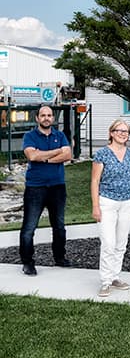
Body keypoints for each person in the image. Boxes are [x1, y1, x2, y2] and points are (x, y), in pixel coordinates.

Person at [19, 104, 73, 275]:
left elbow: (68, 155)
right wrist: (56, 151)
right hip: (35, 188)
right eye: (43, 115)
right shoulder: (30, 136)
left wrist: (45, 157)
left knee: (59, 226)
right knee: (29, 227)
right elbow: (32, 156)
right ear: (37, 118)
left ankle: (60, 258)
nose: (46, 118)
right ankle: (27, 262)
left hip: (57, 187)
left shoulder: (60, 135)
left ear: (53, 118)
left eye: (49, 115)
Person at [91, 120, 130, 298]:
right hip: (107, 202)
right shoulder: (102, 154)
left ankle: (115, 276)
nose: (123, 133)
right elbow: (95, 181)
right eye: (119, 130)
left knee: (121, 243)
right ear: (111, 132)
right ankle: (105, 281)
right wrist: (96, 206)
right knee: (108, 243)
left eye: (126, 131)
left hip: (127, 202)